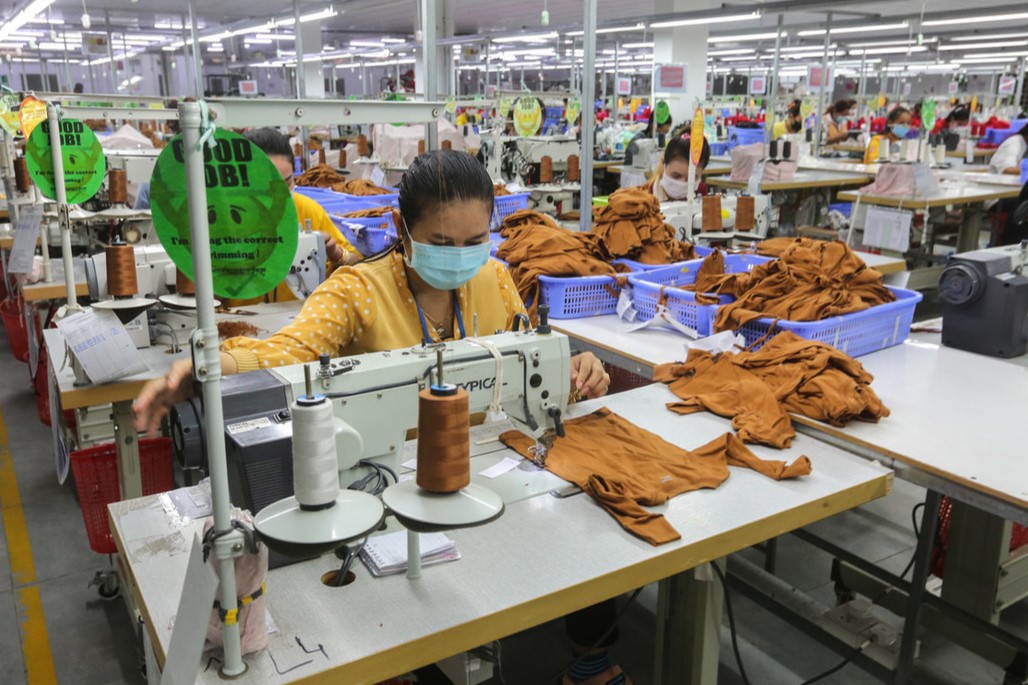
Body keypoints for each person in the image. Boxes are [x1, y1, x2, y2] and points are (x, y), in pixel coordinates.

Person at [133, 150, 618, 683]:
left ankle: (589, 661)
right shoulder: (357, 291)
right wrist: (204, 369)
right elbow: (288, 352)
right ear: (399, 228)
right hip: (384, 491)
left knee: (586, 529)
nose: (461, 257)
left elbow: (531, 359)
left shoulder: (496, 280)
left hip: (474, 469)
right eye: (441, 242)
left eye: (475, 241)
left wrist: (578, 370)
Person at [223, 128, 363, 305]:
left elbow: (358, 265)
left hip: (301, 317)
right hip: (238, 319)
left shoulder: (306, 209)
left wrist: (337, 254)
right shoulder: (219, 220)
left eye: (287, 182)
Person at [644, 134, 711, 201]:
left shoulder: (701, 192)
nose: (682, 183)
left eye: (692, 178)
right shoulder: (643, 195)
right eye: (676, 176)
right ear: (664, 165)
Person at [624, 100, 672, 166]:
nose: (663, 136)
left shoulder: (655, 142)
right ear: (653, 126)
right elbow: (628, 161)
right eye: (662, 132)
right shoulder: (638, 139)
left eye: (665, 133)